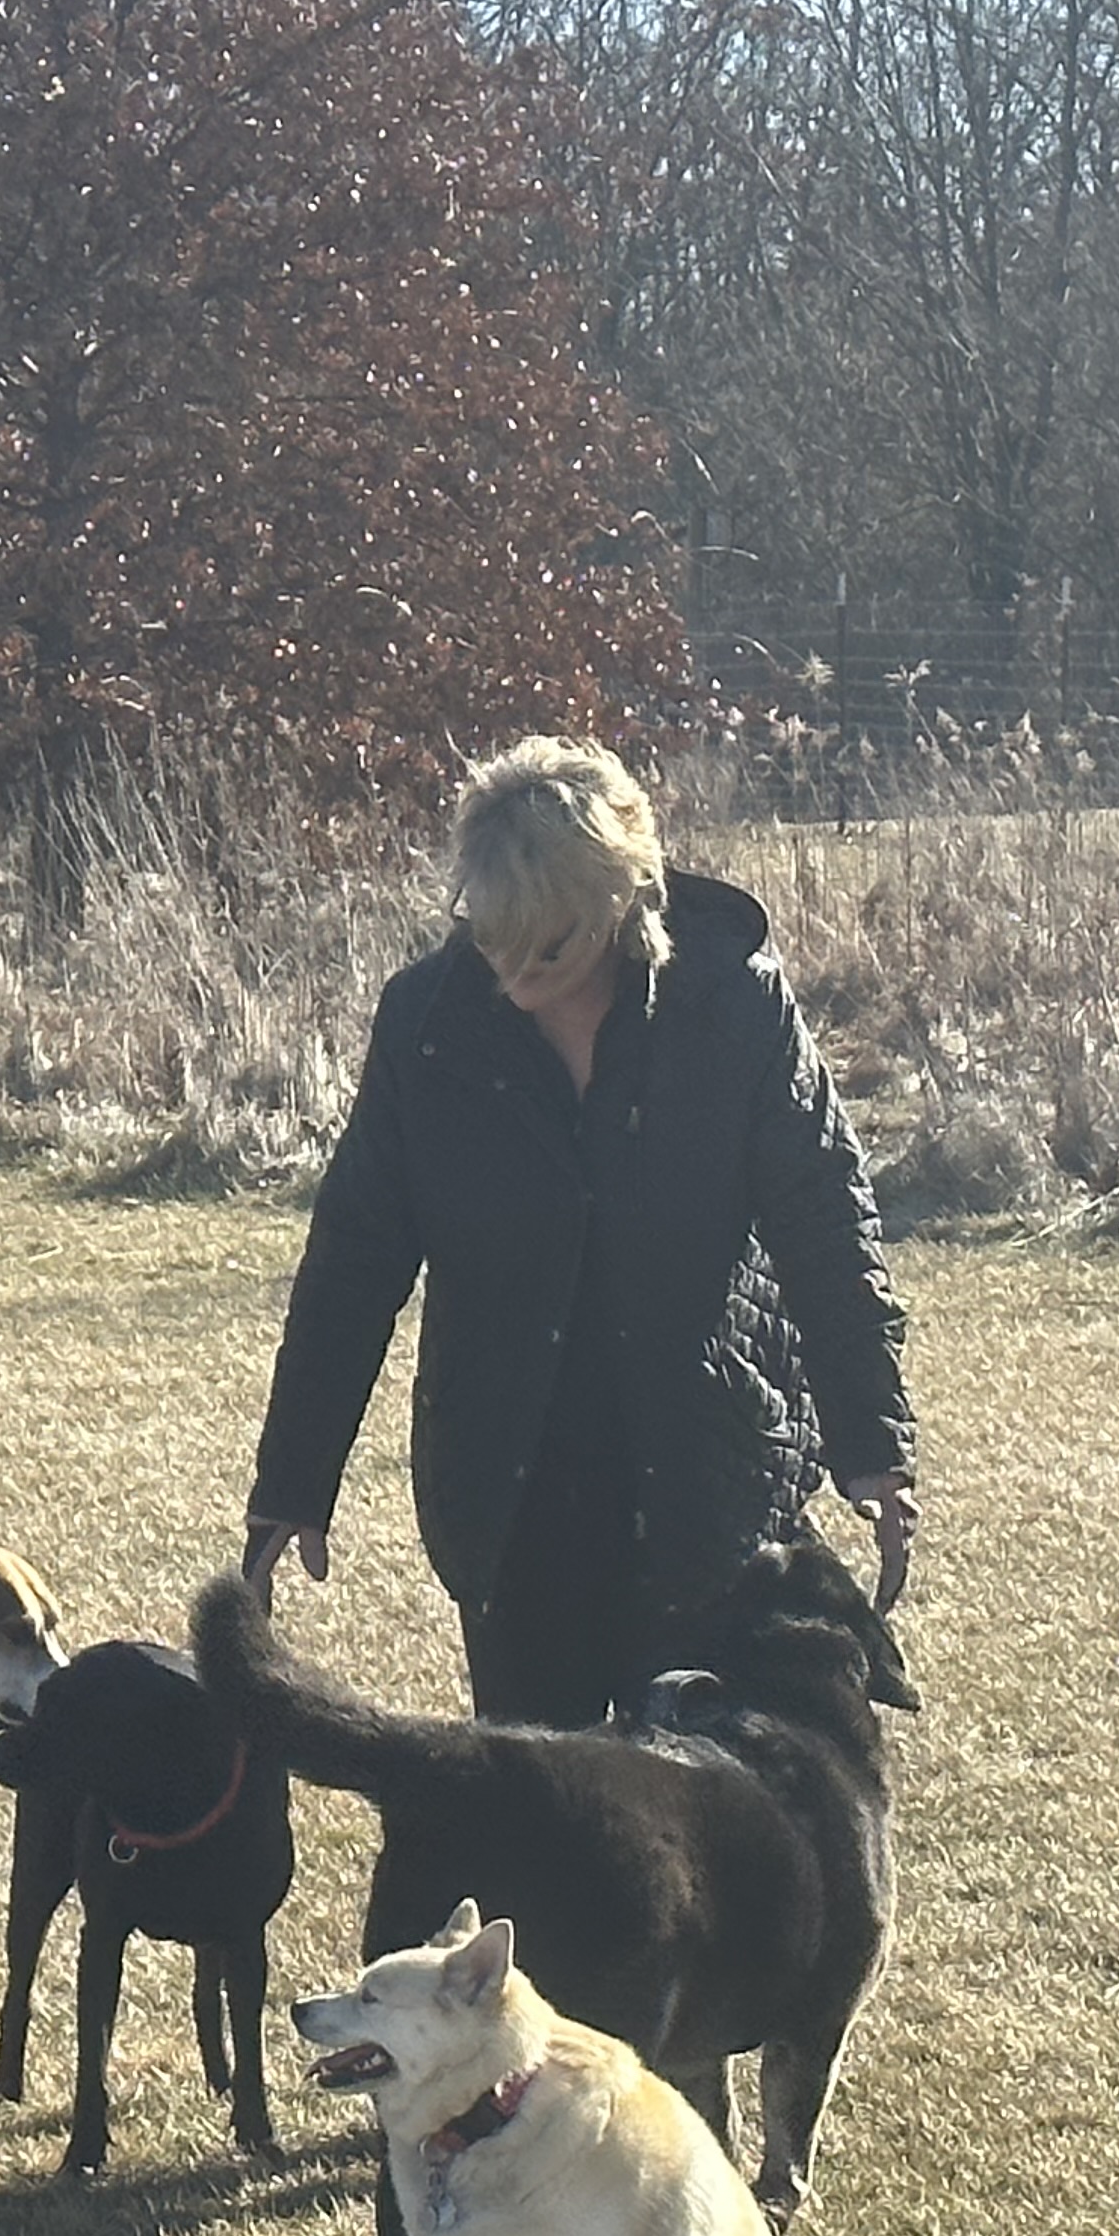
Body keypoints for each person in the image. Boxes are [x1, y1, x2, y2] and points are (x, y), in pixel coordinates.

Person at [243, 739, 917, 1727]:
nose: (513, 977)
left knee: (702, 1838)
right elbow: (354, 1261)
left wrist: (872, 1441)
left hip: (706, 1480)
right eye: (492, 942)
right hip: (512, 1500)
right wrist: (294, 1482)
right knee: (549, 1840)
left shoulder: (730, 1004)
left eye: (547, 949)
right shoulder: (426, 1027)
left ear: (619, 902)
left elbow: (826, 1225)